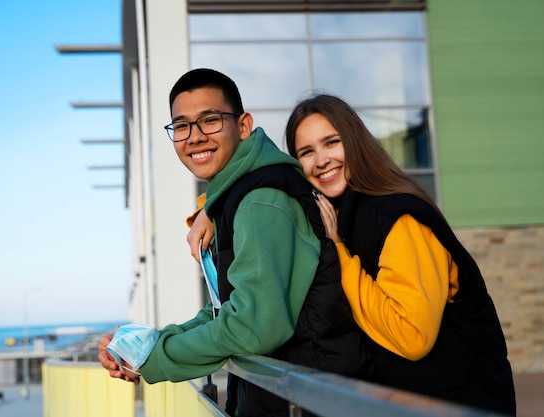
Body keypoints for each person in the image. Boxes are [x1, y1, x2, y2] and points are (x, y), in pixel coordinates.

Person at [189, 94, 516, 415]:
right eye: (306, 152)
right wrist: (213, 209)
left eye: (331, 143)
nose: (321, 160)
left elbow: (412, 337)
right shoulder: (335, 212)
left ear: (355, 142)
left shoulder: (399, 219)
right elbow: (272, 180)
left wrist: (340, 254)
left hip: (457, 403)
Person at [98, 70, 366, 417]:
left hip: (305, 402)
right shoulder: (239, 197)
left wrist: (155, 358)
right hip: (289, 397)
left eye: (209, 120)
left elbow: (252, 327)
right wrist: (149, 344)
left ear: (243, 126)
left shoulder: (259, 202)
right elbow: (228, 310)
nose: (194, 137)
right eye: (181, 126)